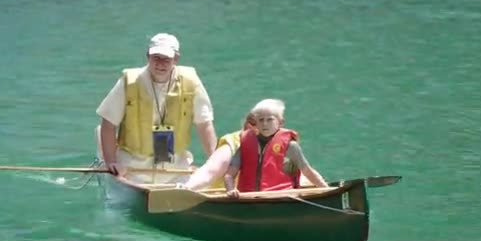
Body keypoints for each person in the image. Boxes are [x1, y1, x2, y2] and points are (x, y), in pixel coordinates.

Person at [96, 33, 217, 182]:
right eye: (156, 58)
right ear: (148, 56)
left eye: (166, 59)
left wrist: (214, 163)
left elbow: (204, 124)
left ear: (176, 59)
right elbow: (108, 123)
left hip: (176, 168)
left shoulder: (191, 81)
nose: (160, 64)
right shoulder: (129, 82)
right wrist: (111, 162)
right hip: (132, 168)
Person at [224, 99, 328, 198]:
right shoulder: (246, 143)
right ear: (256, 123)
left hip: (281, 196)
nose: (265, 124)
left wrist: (326, 190)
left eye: (270, 120)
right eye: (261, 120)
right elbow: (229, 174)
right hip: (248, 197)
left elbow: (307, 171)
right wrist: (230, 189)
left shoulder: (291, 146)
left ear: (280, 122)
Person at [182, 112, 256, 190]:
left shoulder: (269, 144)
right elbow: (210, 171)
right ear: (250, 126)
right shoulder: (233, 142)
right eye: (262, 121)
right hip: (225, 198)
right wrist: (187, 187)